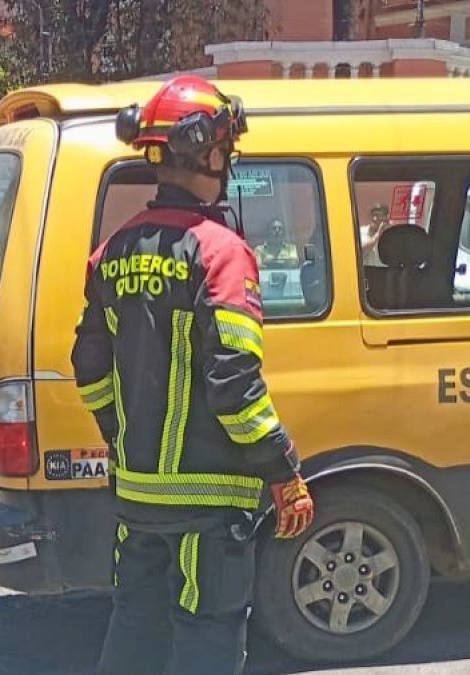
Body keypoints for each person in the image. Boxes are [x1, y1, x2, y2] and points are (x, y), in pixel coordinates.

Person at [71, 75, 315, 675]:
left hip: (138, 498)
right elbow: (235, 384)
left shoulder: (111, 254)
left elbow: (90, 369)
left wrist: (124, 439)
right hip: (210, 507)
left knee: (134, 634)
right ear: (209, 152)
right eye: (225, 150)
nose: (226, 161)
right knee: (206, 640)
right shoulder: (222, 254)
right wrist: (283, 471)